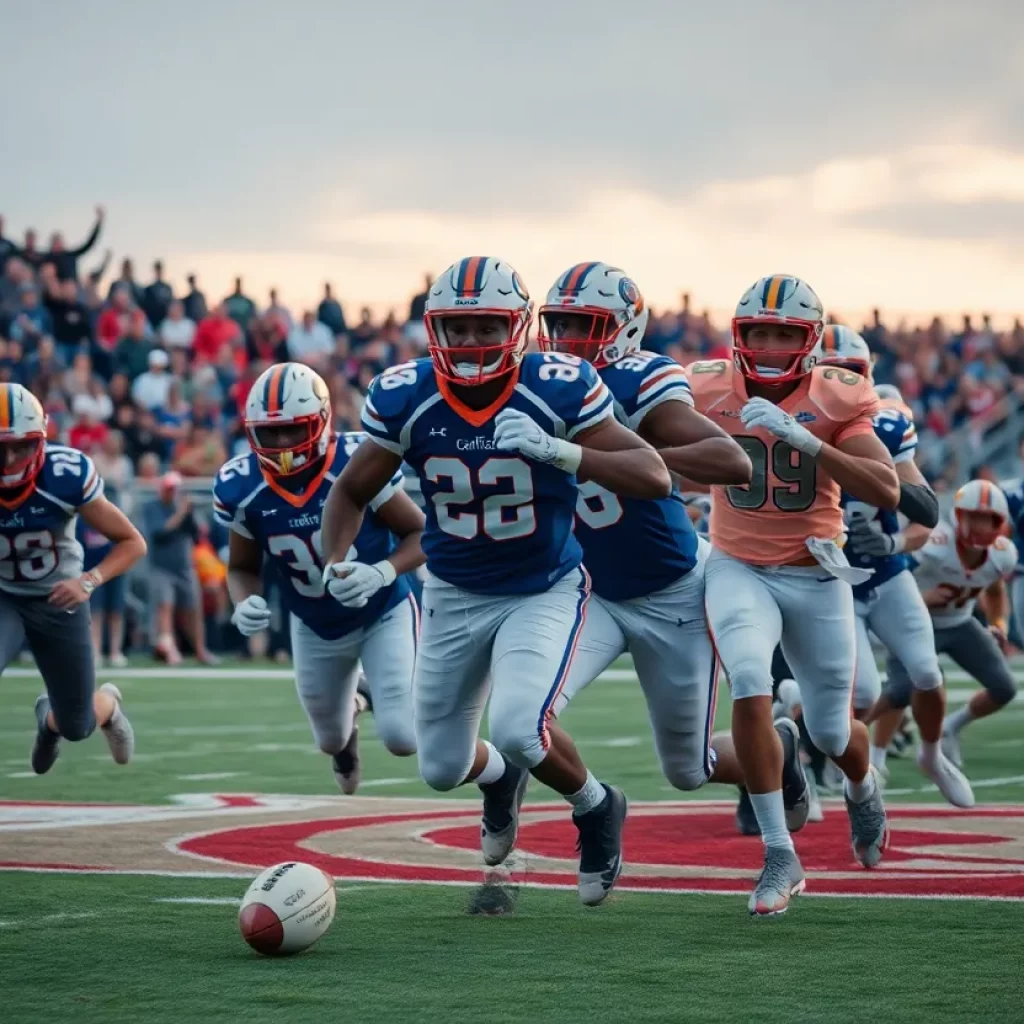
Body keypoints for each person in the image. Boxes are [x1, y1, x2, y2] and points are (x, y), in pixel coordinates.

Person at [321, 256, 673, 907]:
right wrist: (335, 559)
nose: (471, 342)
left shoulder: (557, 387)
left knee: (517, 725)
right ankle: (497, 782)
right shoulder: (407, 394)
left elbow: (652, 473)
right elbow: (350, 489)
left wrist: (560, 450)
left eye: (486, 325)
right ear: (434, 331)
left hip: (542, 587)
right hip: (454, 593)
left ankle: (596, 808)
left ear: (516, 326)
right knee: (440, 768)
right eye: (458, 328)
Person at [535, 262, 808, 823]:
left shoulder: (640, 380)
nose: (566, 339)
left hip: (671, 592)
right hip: (588, 591)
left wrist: (620, 459)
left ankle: (778, 751)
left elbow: (731, 461)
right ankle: (543, 818)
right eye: (558, 323)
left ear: (625, 328)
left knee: (688, 769)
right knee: (527, 717)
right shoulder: (535, 382)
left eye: (583, 324)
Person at [686, 274, 900, 916]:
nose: (773, 345)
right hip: (737, 563)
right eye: (760, 333)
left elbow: (886, 488)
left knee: (836, 733)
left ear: (809, 341)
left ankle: (862, 788)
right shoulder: (705, 387)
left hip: (815, 570)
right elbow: (657, 448)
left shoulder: (839, 395)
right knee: (749, 677)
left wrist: (807, 440)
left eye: (785, 334)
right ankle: (779, 851)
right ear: (739, 336)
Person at [214, 363, 422, 792]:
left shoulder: (355, 460)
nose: (283, 445)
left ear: (322, 421)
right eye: (270, 434)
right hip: (313, 623)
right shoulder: (242, 485)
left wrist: (380, 572)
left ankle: (369, 696)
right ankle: (353, 723)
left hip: (382, 611)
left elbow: (421, 533)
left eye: (294, 430)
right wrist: (244, 600)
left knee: (404, 737)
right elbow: (241, 568)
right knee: (330, 740)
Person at [813, 326, 972, 807]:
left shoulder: (885, 424)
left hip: (885, 575)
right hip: (831, 581)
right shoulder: (789, 428)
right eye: (830, 372)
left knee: (926, 671)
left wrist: (892, 541)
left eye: (851, 373)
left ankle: (929, 752)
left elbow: (926, 514)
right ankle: (841, 775)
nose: (840, 382)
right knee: (859, 692)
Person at [0, 383, 143, 772]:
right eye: (0, 449)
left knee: (77, 725)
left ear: (41, 440)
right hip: (5, 597)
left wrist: (88, 582)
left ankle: (94, 710)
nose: (10, 459)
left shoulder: (65, 475)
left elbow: (132, 542)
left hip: (58, 597)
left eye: (21, 446)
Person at [878, 480, 1017, 770]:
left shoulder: (1002, 553)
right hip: (916, 623)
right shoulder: (934, 543)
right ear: (959, 517)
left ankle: (950, 727)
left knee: (1004, 688)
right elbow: (889, 579)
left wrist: (998, 624)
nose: (980, 526)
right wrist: (921, 598)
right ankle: (863, 750)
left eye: (988, 519)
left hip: (960, 623)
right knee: (902, 690)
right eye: (975, 517)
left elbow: (994, 592)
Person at [142, 472, 217, 666]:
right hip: (162, 567)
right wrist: (182, 512)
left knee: (194, 608)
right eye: (169, 490)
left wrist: (190, 514)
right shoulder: (153, 508)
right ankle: (169, 649)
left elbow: (198, 535)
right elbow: (159, 533)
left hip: (184, 566)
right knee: (165, 606)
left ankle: (200, 650)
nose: (172, 494)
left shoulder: (184, 509)